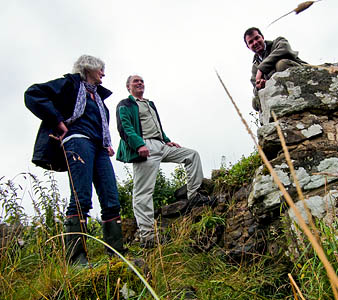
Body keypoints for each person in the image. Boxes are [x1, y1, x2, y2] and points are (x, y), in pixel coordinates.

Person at [24, 55, 124, 265]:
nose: (103, 74)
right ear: (88, 68)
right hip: (77, 141)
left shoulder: (97, 98)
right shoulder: (70, 85)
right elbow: (33, 94)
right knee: (81, 198)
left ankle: (116, 255)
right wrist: (57, 120)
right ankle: (77, 259)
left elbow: (100, 122)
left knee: (111, 199)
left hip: (99, 147)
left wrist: (107, 142)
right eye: (101, 69)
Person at [116, 75, 210, 248]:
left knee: (192, 155)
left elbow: (157, 126)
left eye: (142, 81)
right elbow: (124, 127)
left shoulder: (150, 104)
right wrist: (138, 145)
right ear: (128, 86)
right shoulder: (125, 104)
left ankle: (194, 195)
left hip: (160, 144)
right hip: (144, 145)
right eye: (136, 81)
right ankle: (148, 236)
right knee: (143, 191)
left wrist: (167, 140)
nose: (140, 83)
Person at [244, 27, 306, 111]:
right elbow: (255, 86)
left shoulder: (278, 42)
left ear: (262, 37)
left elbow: (285, 49)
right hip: (278, 90)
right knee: (255, 102)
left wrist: (261, 69)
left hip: (300, 77)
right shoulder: (255, 66)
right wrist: (259, 86)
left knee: (281, 64)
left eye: (257, 38)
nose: (255, 43)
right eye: (251, 42)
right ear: (248, 46)